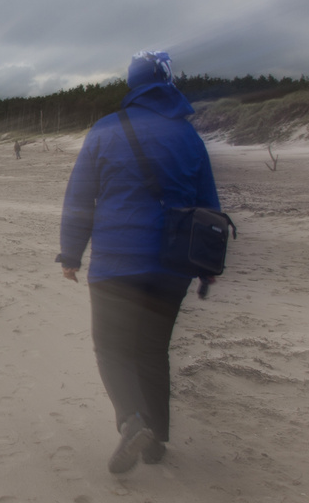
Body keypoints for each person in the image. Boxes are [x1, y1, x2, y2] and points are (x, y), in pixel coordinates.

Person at [56, 51, 219, 475]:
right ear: (166, 81)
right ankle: (156, 441)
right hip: (172, 264)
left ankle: (132, 423)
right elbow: (209, 206)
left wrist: (71, 254)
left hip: (116, 262)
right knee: (152, 350)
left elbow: (80, 197)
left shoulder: (105, 130)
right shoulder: (188, 136)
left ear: (133, 85)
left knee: (111, 347)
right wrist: (208, 264)